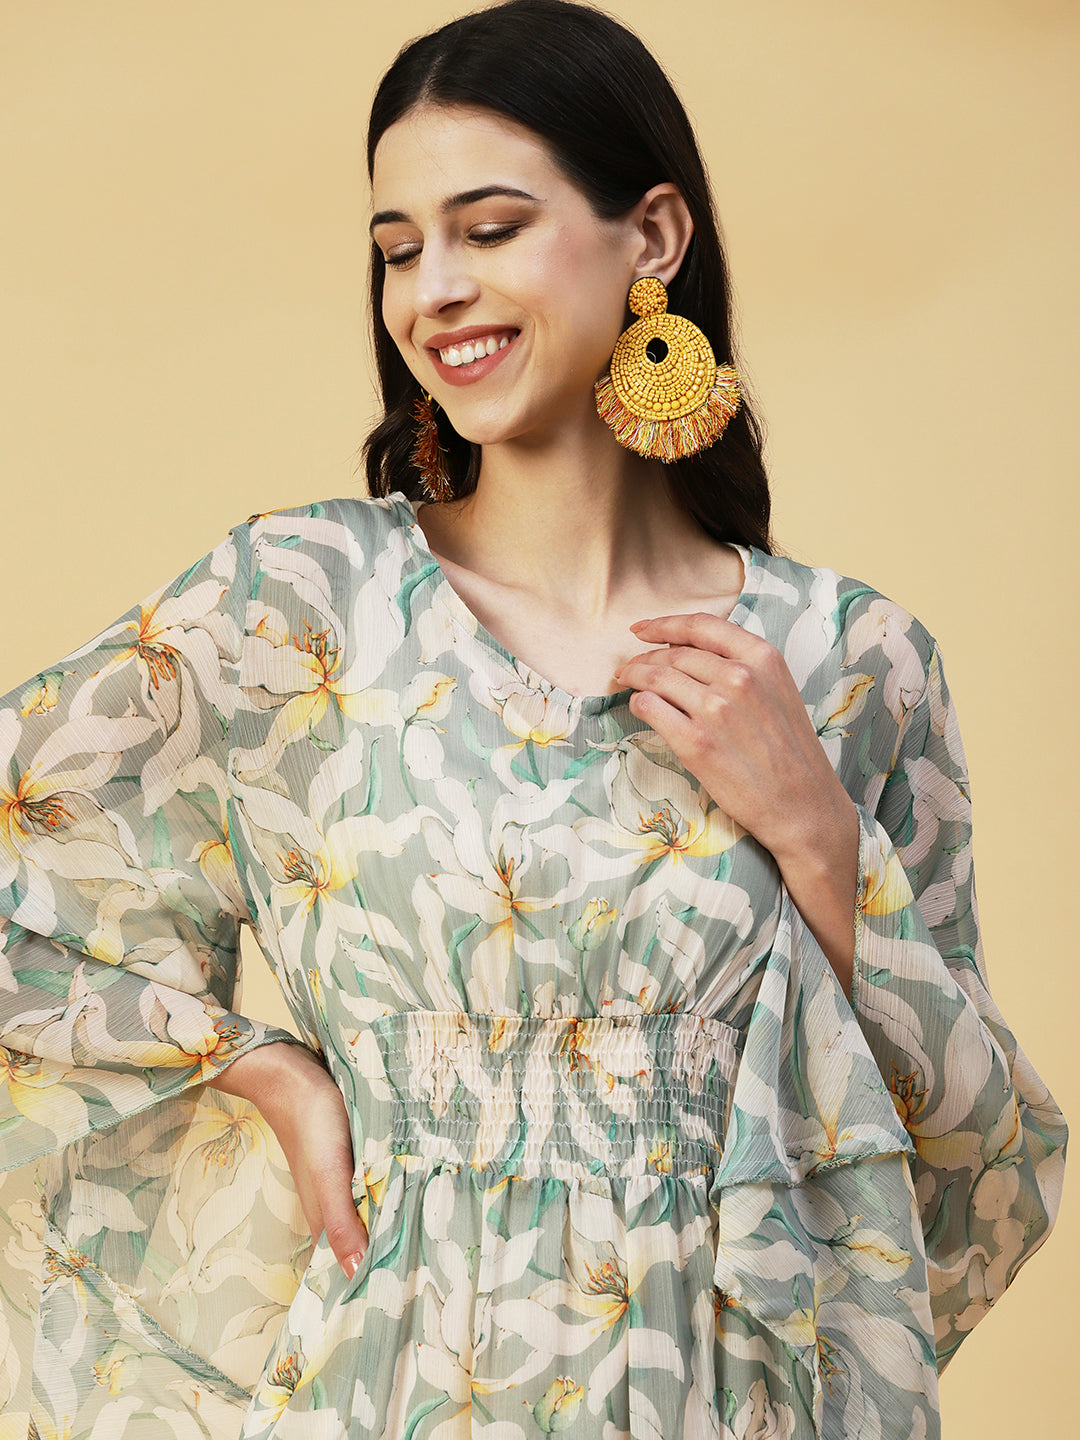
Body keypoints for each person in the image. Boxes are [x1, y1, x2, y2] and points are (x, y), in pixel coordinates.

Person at [0, 0, 1067, 1435]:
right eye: (397, 249)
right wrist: (264, 1071)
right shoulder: (296, 613)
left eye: (490, 229)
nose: (433, 290)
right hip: (390, 1386)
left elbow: (974, 1169)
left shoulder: (851, 662)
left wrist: (821, 840)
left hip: (730, 1398)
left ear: (654, 237)